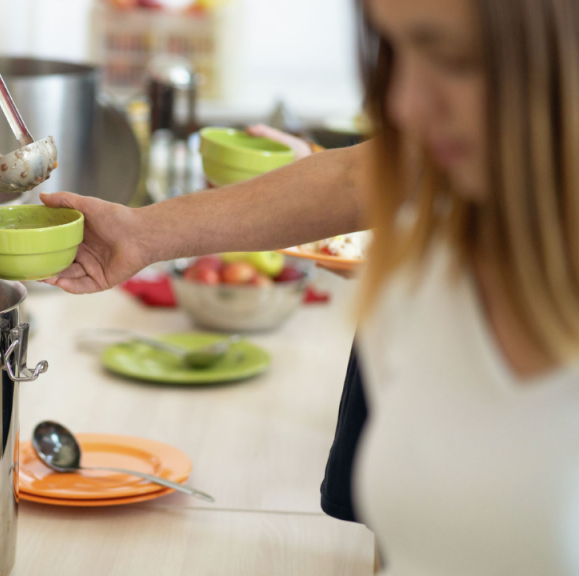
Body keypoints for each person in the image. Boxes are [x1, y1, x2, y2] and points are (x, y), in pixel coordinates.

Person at [44, 0, 579, 571]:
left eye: (453, 58)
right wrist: (140, 234)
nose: (402, 104)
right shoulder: (421, 288)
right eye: (391, 53)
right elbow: (361, 175)